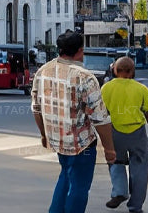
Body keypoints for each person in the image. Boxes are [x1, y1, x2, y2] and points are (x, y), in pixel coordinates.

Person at [32, 29, 117, 213]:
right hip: (82, 145)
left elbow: (36, 109)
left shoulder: (42, 72)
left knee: (65, 177)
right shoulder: (85, 77)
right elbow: (100, 119)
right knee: (78, 187)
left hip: (57, 141)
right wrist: (109, 149)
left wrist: (44, 135)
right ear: (79, 51)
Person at [101, 56, 148, 212]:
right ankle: (135, 207)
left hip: (115, 132)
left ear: (115, 70)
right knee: (140, 169)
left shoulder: (106, 88)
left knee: (115, 162)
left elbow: (102, 114)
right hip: (137, 134)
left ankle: (119, 192)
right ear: (132, 71)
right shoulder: (141, 89)